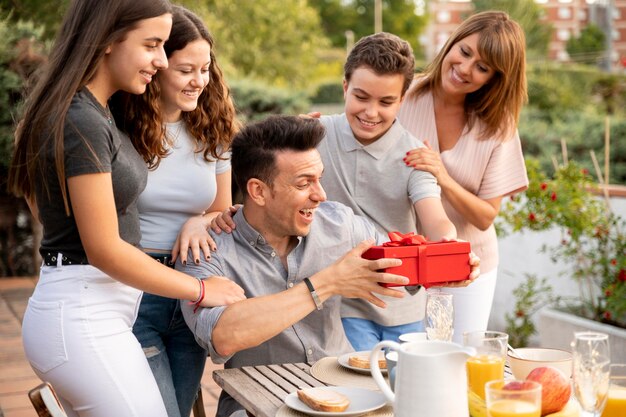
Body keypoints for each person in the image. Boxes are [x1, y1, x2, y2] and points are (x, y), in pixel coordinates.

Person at [7, 1, 243, 416]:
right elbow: (102, 249)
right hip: (83, 310)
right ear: (107, 41)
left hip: (103, 304)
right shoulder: (83, 120)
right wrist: (203, 289)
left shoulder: (90, 114)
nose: (159, 58)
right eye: (152, 44)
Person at [180, 115, 421, 417]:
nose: (320, 195)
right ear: (258, 191)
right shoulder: (205, 250)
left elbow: (404, 268)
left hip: (346, 398)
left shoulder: (340, 224)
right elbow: (223, 336)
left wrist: (450, 268)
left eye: (319, 178)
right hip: (258, 404)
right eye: (304, 183)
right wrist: (327, 283)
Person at [111, 5, 242, 417]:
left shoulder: (213, 126)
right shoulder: (117, 126)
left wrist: (197, 220)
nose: (199, 81)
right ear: (157, 64)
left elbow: (221, 210)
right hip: (138, 290)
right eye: (187, 69)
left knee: (179, 410)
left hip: (195, 286)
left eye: (205, 69)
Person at [398, 11, 529, 343]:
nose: (465, 68)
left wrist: (443, 176)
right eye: (465, 52)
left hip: (469, 268)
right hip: (404, 261)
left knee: (460, 364)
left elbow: (486, 216)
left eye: (482, 67)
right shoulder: (404, 96)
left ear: (494, 78)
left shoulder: (498, 127)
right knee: (400, 364)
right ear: (451, 43)